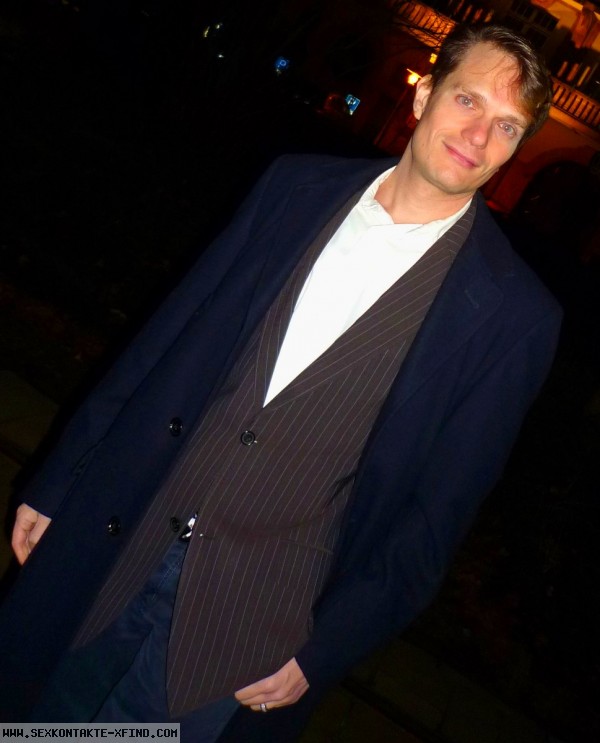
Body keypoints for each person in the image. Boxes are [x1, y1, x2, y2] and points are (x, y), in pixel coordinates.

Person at [1, 23, 562, 741]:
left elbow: (432, 524)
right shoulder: (295, 186)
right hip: (120, 533)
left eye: (507, 126)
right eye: (468, 100)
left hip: (250, 629)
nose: (478, 136)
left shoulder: (515, 317)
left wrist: (324, 650)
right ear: (424, 93)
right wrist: (62, 478)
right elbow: (164, 343)